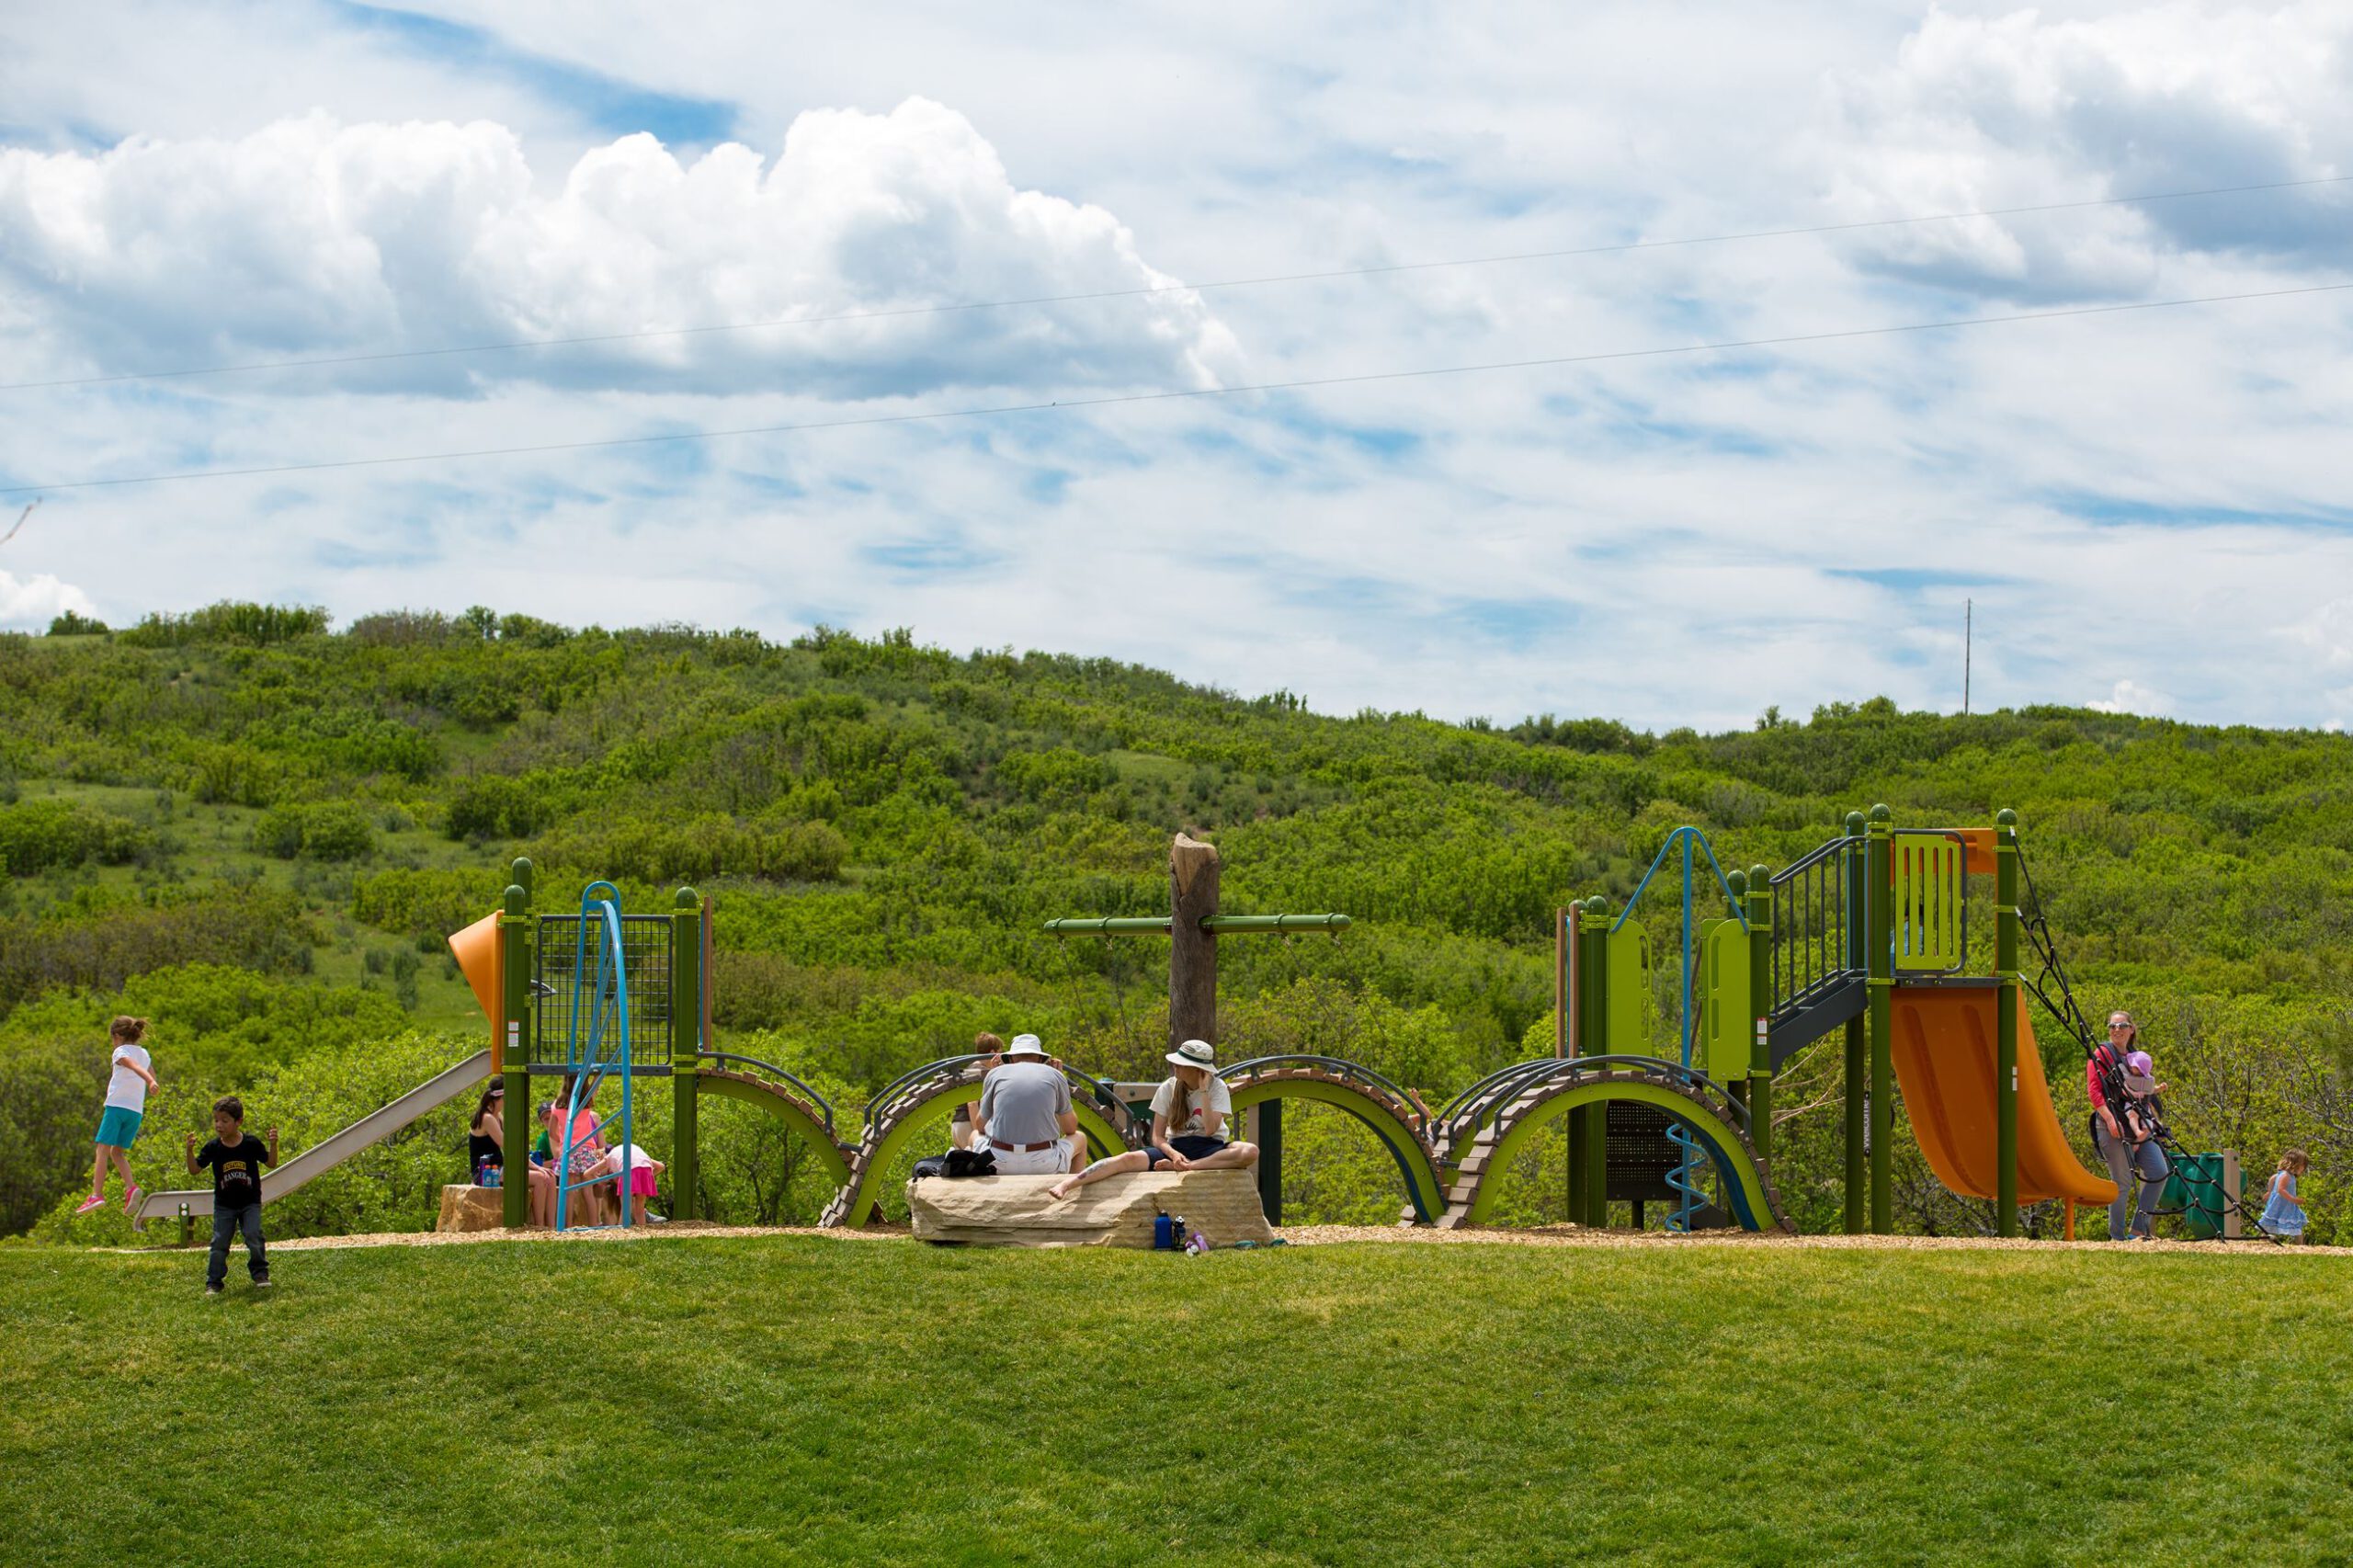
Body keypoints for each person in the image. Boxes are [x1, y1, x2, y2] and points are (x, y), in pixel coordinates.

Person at [1048, 1039, 1258, 1199]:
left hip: (1210, 1148)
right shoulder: (1168, 1087)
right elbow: (1157, 1137)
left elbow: (1211, 1130)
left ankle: (1191, 1166)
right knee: (1126, 1159)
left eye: (1181, 1064)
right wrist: (1174, 1155)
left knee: (1250, 1151)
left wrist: (1203, 1091)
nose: (1175, 1067)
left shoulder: (1216, 1087)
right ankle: (1068, 1184)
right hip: (1175, 1146)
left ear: (1197, 1070)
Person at [188, 1096, 278, 1295]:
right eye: (216, 1120)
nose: (219, 1125)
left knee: (254, 1235)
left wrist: (273, 1144)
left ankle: (260, 1274)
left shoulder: (251, 1144)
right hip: (224, 1205)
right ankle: (214, 1282)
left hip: (250, 1203)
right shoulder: (213, 1147)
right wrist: (189, 1150)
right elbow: (195, 1169)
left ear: (239, 1122)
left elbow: (271, 1163)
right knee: (219, 1242)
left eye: (225, 1120)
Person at [2088, 1013, 2166, 1241]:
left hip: (2137, 1124)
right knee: (2122, 1181)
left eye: (2122, 1025)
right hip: (2112, 1125)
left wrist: (2155, 1122)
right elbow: (2094, 1090)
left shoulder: (2136, 1058)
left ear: (2131, 1029)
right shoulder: (2102, 1054)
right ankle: (2117, 1237)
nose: (2117, 1029)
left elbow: (2145, 1093)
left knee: (2159, 1172)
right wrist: (2110, 1120)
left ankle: (2138, 1230)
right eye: (2112, 1025)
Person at [969, 1033, 1088, 1176]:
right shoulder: (1055, 1075)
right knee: (1080, 1138)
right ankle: (1072, 1186)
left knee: (974, 1134)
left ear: (1010, 1058)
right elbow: (1070, 1128)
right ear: (1040, 1058)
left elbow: (980, 1126)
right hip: (1044, 1164)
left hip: (998, 1162)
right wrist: (1059, 1082)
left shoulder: (995, 1074)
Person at [78, 1016, 160, 1218]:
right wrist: (152, 1081)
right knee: (117, 1153)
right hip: (135, 1112)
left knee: (102, 1150)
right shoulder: (144, 1053)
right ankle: (131, 1187)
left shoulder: (121, 1051)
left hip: (117, 1107)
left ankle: (97, 1195)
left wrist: (149, 1082)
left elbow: (134, 1067)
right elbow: (149, 1071)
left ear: (116, 1036)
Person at [470, 1085, 553, 1228]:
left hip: (499, 1167)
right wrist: (535, 1167)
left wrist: (535, 1166)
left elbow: (514, 1146)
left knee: (550, 1177)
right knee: (540, 1178)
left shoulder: (498, 1117)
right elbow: (509, 1147)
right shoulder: (487, 1118)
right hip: (486, 1171)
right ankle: (539, 1226)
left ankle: (552, 1226)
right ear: (498, 1098)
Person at [546, 1080, 608, 1225]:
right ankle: (593, 1224)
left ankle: (567, 1225)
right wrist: (596, 1074)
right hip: (586, 1149)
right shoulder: (585, 1101)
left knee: (569, 1192)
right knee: (588, 1191)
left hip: (568, 1150)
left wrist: (563, 1139)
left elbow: (551, 1132)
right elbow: (595, 1087)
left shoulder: (557, 1105)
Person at [584, 1142, 667, 1225]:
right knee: (640, 1210)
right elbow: (661, 1166)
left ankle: (622, 1231)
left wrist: (600, 1181)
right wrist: (640, 1179)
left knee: (626, 1209)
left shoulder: (609, 1158)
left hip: (629, 1172)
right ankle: (642, 1230)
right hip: (646, 1171)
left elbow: (587, 1173)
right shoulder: (630, 1153)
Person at [2259, 1151, 2309, 1242]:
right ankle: (2263, 1241)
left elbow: (2272, 1179)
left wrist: (2270, 1191)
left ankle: (2300, 1245)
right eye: (2303, 1166)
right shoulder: (2286, 1175)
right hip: (2282, 1204)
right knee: (2270, 1226)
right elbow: (2281, 1189)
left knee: (2296, 1225)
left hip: (2285, 1205)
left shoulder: (2284, 1174)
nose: (2303, 1168)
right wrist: (2294, 1200)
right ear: (2295, 1164)